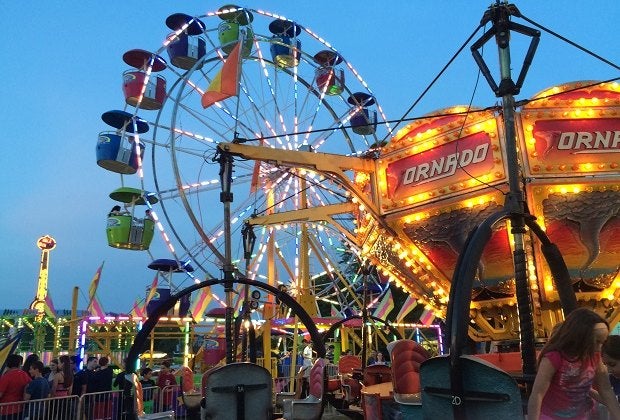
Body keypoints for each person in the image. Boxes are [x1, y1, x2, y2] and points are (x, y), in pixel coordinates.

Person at [527, 308, 620, 420]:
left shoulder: (594, 357)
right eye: (597, 341)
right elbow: (538, 394)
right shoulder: (554, 357)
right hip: (549, 416)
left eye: (603, 342)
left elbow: (606, 390)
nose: (600, 348)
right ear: (580, 337)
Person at [0, 354, 31, 420]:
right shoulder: (24, 374)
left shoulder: (6, 376)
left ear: (7, 363)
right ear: (19, 363)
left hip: (6, 409)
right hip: (20, 408)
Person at [602, 336, 620, 401]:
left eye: (612, 364)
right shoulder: (614, 378)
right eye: (604, 364)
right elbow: (609, 399)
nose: (608, 370)